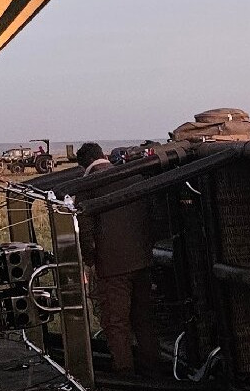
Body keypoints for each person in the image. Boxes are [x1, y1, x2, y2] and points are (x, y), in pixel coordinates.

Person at [75, 142, 158, 378]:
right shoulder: (132, 176)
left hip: (112, 267)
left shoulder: (88, 185)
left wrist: (90, 261)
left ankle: (125, 372)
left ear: (83, 164)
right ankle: (152, 369)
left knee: (116, 322)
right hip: (142, 260)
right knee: (144, 318)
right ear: (102, 156)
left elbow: (86, 231)